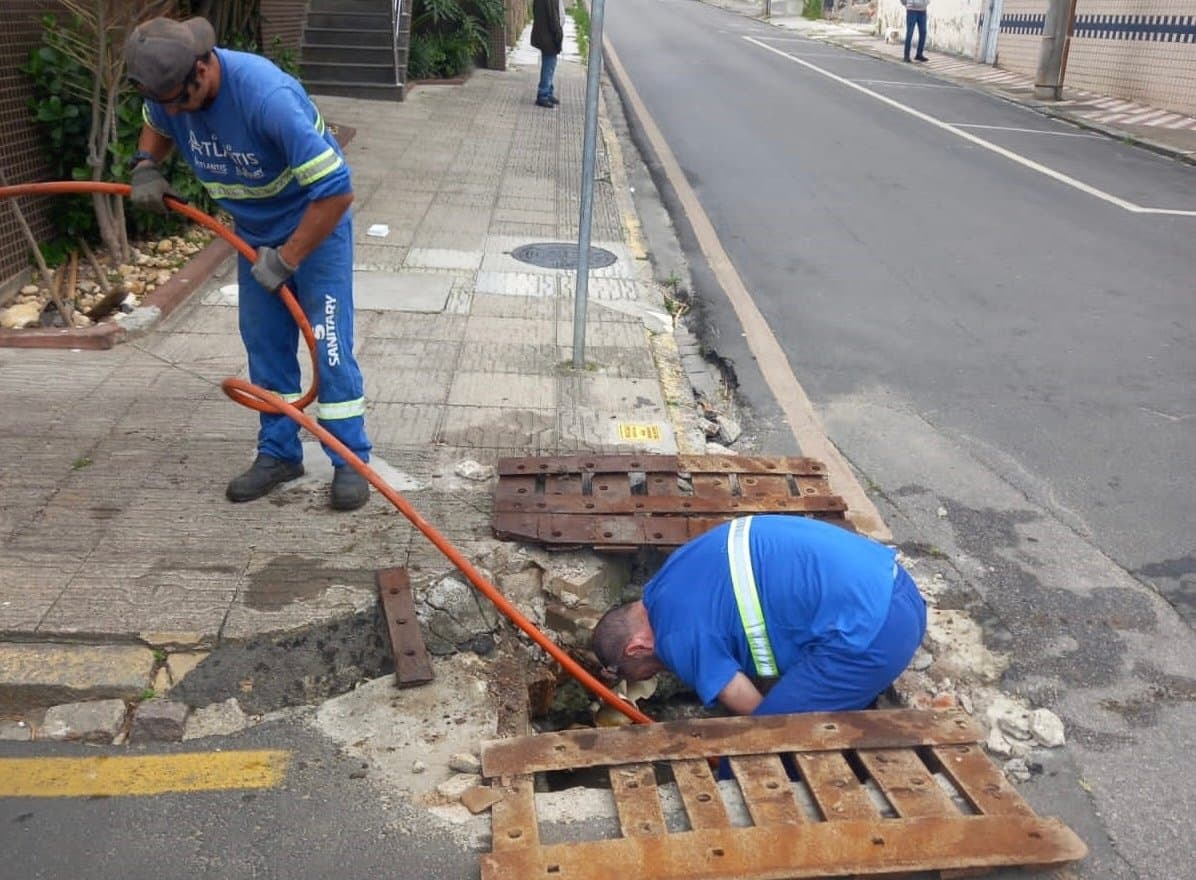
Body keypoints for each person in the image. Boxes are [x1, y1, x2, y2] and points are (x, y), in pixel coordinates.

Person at [124, 16, 372, 511]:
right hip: (253, 235)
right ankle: (279, 453)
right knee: (264, 346)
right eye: (164, 101)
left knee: (329, 346)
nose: (174, 112)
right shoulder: (169, 92)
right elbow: (155, 122)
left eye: (179, 101)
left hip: (313, 230)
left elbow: (337, 191)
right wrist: (145, 166)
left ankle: (349, 459)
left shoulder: (266, 98)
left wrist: (289, 258)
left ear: (203, 68)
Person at [591, 515, 927, 716]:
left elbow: (746, 705)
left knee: (766, 748)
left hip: (876, 632)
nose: (654, 675)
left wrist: (764, 720)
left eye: (639, 673)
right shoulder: (669, 577)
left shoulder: (675, 635)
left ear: (635, 648)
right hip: (895, 585)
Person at [531, 0, 564, 108]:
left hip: (544, 32)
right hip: (548, 35)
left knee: (549, 64)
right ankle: (543, 95)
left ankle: (548, 91)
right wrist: (558, 34)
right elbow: (553, 17)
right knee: (549, 65)